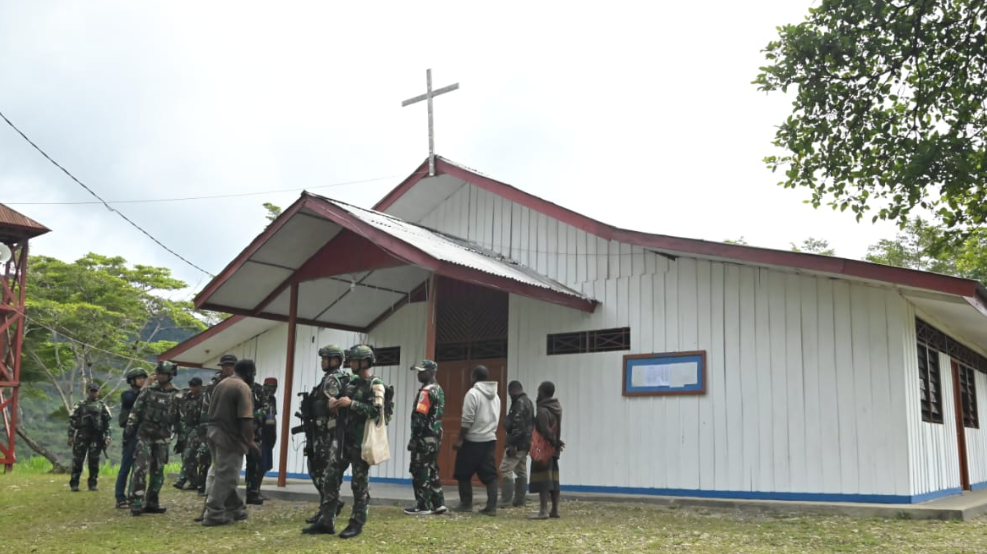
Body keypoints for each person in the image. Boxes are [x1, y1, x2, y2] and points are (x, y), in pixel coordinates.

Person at [303, 344, 389, 539]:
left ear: (364, 362)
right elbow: (340, 400)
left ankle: (356, 523)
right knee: (330, 479)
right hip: (342, 439)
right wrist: (333, 403)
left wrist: (352, 404)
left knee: (359, 484)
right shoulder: (351, 383)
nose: (350, 364)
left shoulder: (375, 384)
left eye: (354, 361)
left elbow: (376, 411)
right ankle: (326, 520)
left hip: (361, 441)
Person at [201, 358, 261, 527]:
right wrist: (251, 441)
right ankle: (214, 513)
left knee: (224, 472)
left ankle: (235, 508)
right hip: (229, 437)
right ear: (248, 373)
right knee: (227, 477)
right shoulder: (242, 387)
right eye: (253, 374)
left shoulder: (223, 383)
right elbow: (246, 418)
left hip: (213, 432)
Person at [300, 345, 350, 524]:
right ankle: (326, 508)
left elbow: (333, 404)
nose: (322, 362)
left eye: (325, 359)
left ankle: (331, 504)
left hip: (326, 433)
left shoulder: (332, 380)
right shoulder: (340, 378)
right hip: (329, 432)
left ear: (335, 360)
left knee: (319, 470)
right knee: (323, 470)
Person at [126, 361, 182, 516]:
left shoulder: (177, 394)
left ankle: (152, 501)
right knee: (140, 468)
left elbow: (180, 418)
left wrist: (181, 437)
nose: (160, 376)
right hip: (144, 436)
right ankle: (137, 501)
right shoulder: (148, 391)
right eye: (159, 373)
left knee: (158, 471)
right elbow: (136, 411)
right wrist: (129, 431)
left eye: (163, 374)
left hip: (162, 438)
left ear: (170, 375)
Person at [452, 365, 501, 515]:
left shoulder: (472, 394)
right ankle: (491, 507)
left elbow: (467, 420)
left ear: (474, 376)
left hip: (472, 439)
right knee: (490, 474)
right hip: (490, 439)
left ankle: (466, 503)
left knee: (463, 472)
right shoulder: (496, 396)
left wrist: (460, 439)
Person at [403, 359, 447, 516]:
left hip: (424, 437)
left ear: (431, 372)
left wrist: (414, 439)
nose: (419, 374)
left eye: (422, 372)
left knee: (420, 469)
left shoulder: (426, 392)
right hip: (436, 436)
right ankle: (438, 503)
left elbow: (420, 417)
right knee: (432, 468)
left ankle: (423, 505)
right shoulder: (438, 389)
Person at [195, 354, 237, 496]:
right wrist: (205, 430)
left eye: (231, 366)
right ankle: (210, 493)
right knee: (216, 463)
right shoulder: (213, 386)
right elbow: (206, 409)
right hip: (216, 428)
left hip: (233, 430)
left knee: (230, 464)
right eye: (226, 366)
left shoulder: (239, 384)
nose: (228, 369)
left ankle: (225, 494)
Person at [528, 381, 564, 520]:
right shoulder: (557, 407)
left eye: (539, 391)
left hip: (543, 449)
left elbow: (545, 430)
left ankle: (543, 511)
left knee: (543, 479)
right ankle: (555, 509)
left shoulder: (542, 410)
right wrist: (557, 443)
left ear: (542, 392)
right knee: (554, 480)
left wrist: (553, 441)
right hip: (554, 450)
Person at [67, 382, 112, 492]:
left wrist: (108, 436)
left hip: (96, 436)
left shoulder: (102, 406)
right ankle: (74, 484)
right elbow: (72, 420)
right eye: (92, 391)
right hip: (82, 435)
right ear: (88, 392)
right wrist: (71, 435)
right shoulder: (81, 405)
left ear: (98, 392)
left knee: (94, 461)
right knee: (78, 460)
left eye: (95, 391)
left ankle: (92, 484)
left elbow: (107, 423)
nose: (93, 393)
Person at [115, 368, 148, 508]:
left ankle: (133, 496)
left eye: (143, 378)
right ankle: (120, 497)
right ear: (132, 381)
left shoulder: (146, 394)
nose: (142, 380)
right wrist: (146, 386)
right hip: (131, 434)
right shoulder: (127, 395)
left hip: (143, 434)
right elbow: (133, 401)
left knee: (139, 468)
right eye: (139, 378)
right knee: (125, 467)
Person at [499, 380, 534, 508]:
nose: (509, 395)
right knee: (521, 470)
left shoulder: (518, 403)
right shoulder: (528, 401)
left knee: (505, 469)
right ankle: (519, 500)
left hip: (517, 444)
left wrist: (512, 444)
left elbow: (518, 427)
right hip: (525, 443)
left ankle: (505, 500)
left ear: (512, 390)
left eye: (510, 392)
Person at [174, 377, 204, 491]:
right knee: (185, 455)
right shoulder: (186, 396)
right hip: (186, 427)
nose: (192, 388)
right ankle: (193, 481)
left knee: (189, 454)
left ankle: (181, 480)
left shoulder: (203, 398)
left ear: (200, 386)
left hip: (197, 428)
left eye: (194, 386)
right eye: (191, 385)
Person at [244, 378, 269, 505]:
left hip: (254, 432)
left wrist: (252, 416)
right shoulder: (235, 385)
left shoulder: (258, 389)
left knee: (254, 463)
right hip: (235, 431)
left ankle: (252, 492)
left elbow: (266, 407)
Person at [259, 377, 278, 486]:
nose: (272, 390)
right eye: (270, 387)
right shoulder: (259, 396)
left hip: (268, 434)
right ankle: (254, 489)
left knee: (266, 464)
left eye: (274, 387)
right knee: (259, 464)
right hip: (259, 434)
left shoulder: (272, 399)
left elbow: (273, 417)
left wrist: (274, 435)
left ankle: (258, 487)